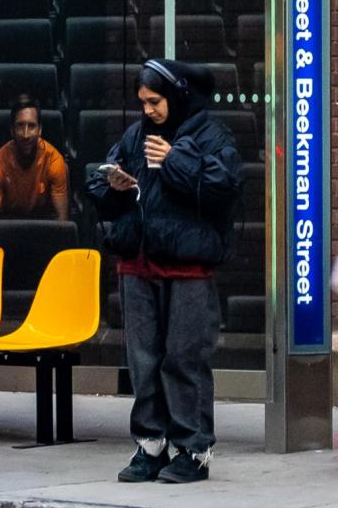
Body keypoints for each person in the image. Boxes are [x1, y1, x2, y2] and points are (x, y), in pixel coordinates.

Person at [86, 59, 241, 485]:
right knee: (144, 359)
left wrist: (174, 161)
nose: (149, 109)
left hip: (188, 266)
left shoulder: (212, 135)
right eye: (143, 102)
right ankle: (150, 445)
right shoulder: (137, 135)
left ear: (175, 95)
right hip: (138, 262)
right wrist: (111, 185)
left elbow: (223, 190)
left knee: (184, 358)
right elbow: (102, 183)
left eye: (155, 101)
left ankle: (193, 449)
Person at [0, 94, 69, 223]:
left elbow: (62, 221)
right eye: (20, 126)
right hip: (10, 228)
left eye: (31, 126)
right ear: (12, 130)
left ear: (40, 130)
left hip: (44, 228)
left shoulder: (54, 161)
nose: (25, 134)